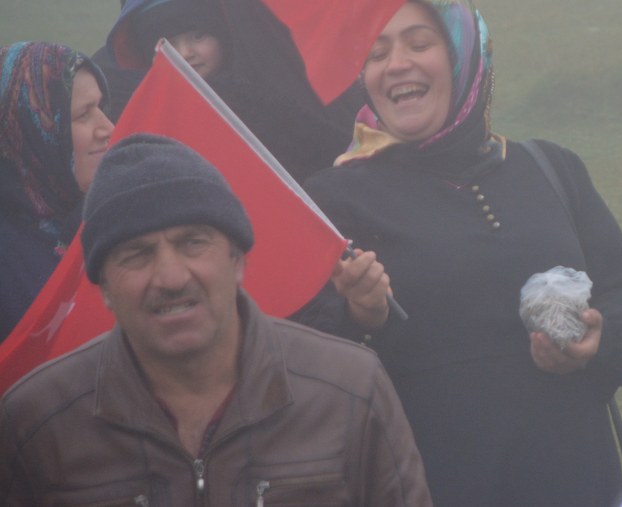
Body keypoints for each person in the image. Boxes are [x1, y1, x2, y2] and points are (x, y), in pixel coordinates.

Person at [299, 0, 622, 507]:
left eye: (419, 43)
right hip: (429, 487)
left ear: (466, 57)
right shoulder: (334, 199)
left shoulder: (550, 167)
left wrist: (599, 337)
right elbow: (292, 360)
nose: (396, 64)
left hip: (576, 483)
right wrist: (360, 316)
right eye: (376, 53)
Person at [0, 134, 431, 506]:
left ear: (238, 259)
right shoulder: (37, 423)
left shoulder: (350, 393)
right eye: (136, 254)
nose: (170, 277)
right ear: (104, 285)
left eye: (193, 243)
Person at [93, 0, 353, 182]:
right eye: (167, 41)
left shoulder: (263, 104)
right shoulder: (117, 105)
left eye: (198, 35)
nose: (185, 53)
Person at [0, 42, 114, 339]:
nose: (108, 128)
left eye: (101, 108)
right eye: (83, 115)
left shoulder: (112, 214)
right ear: (32, 131)